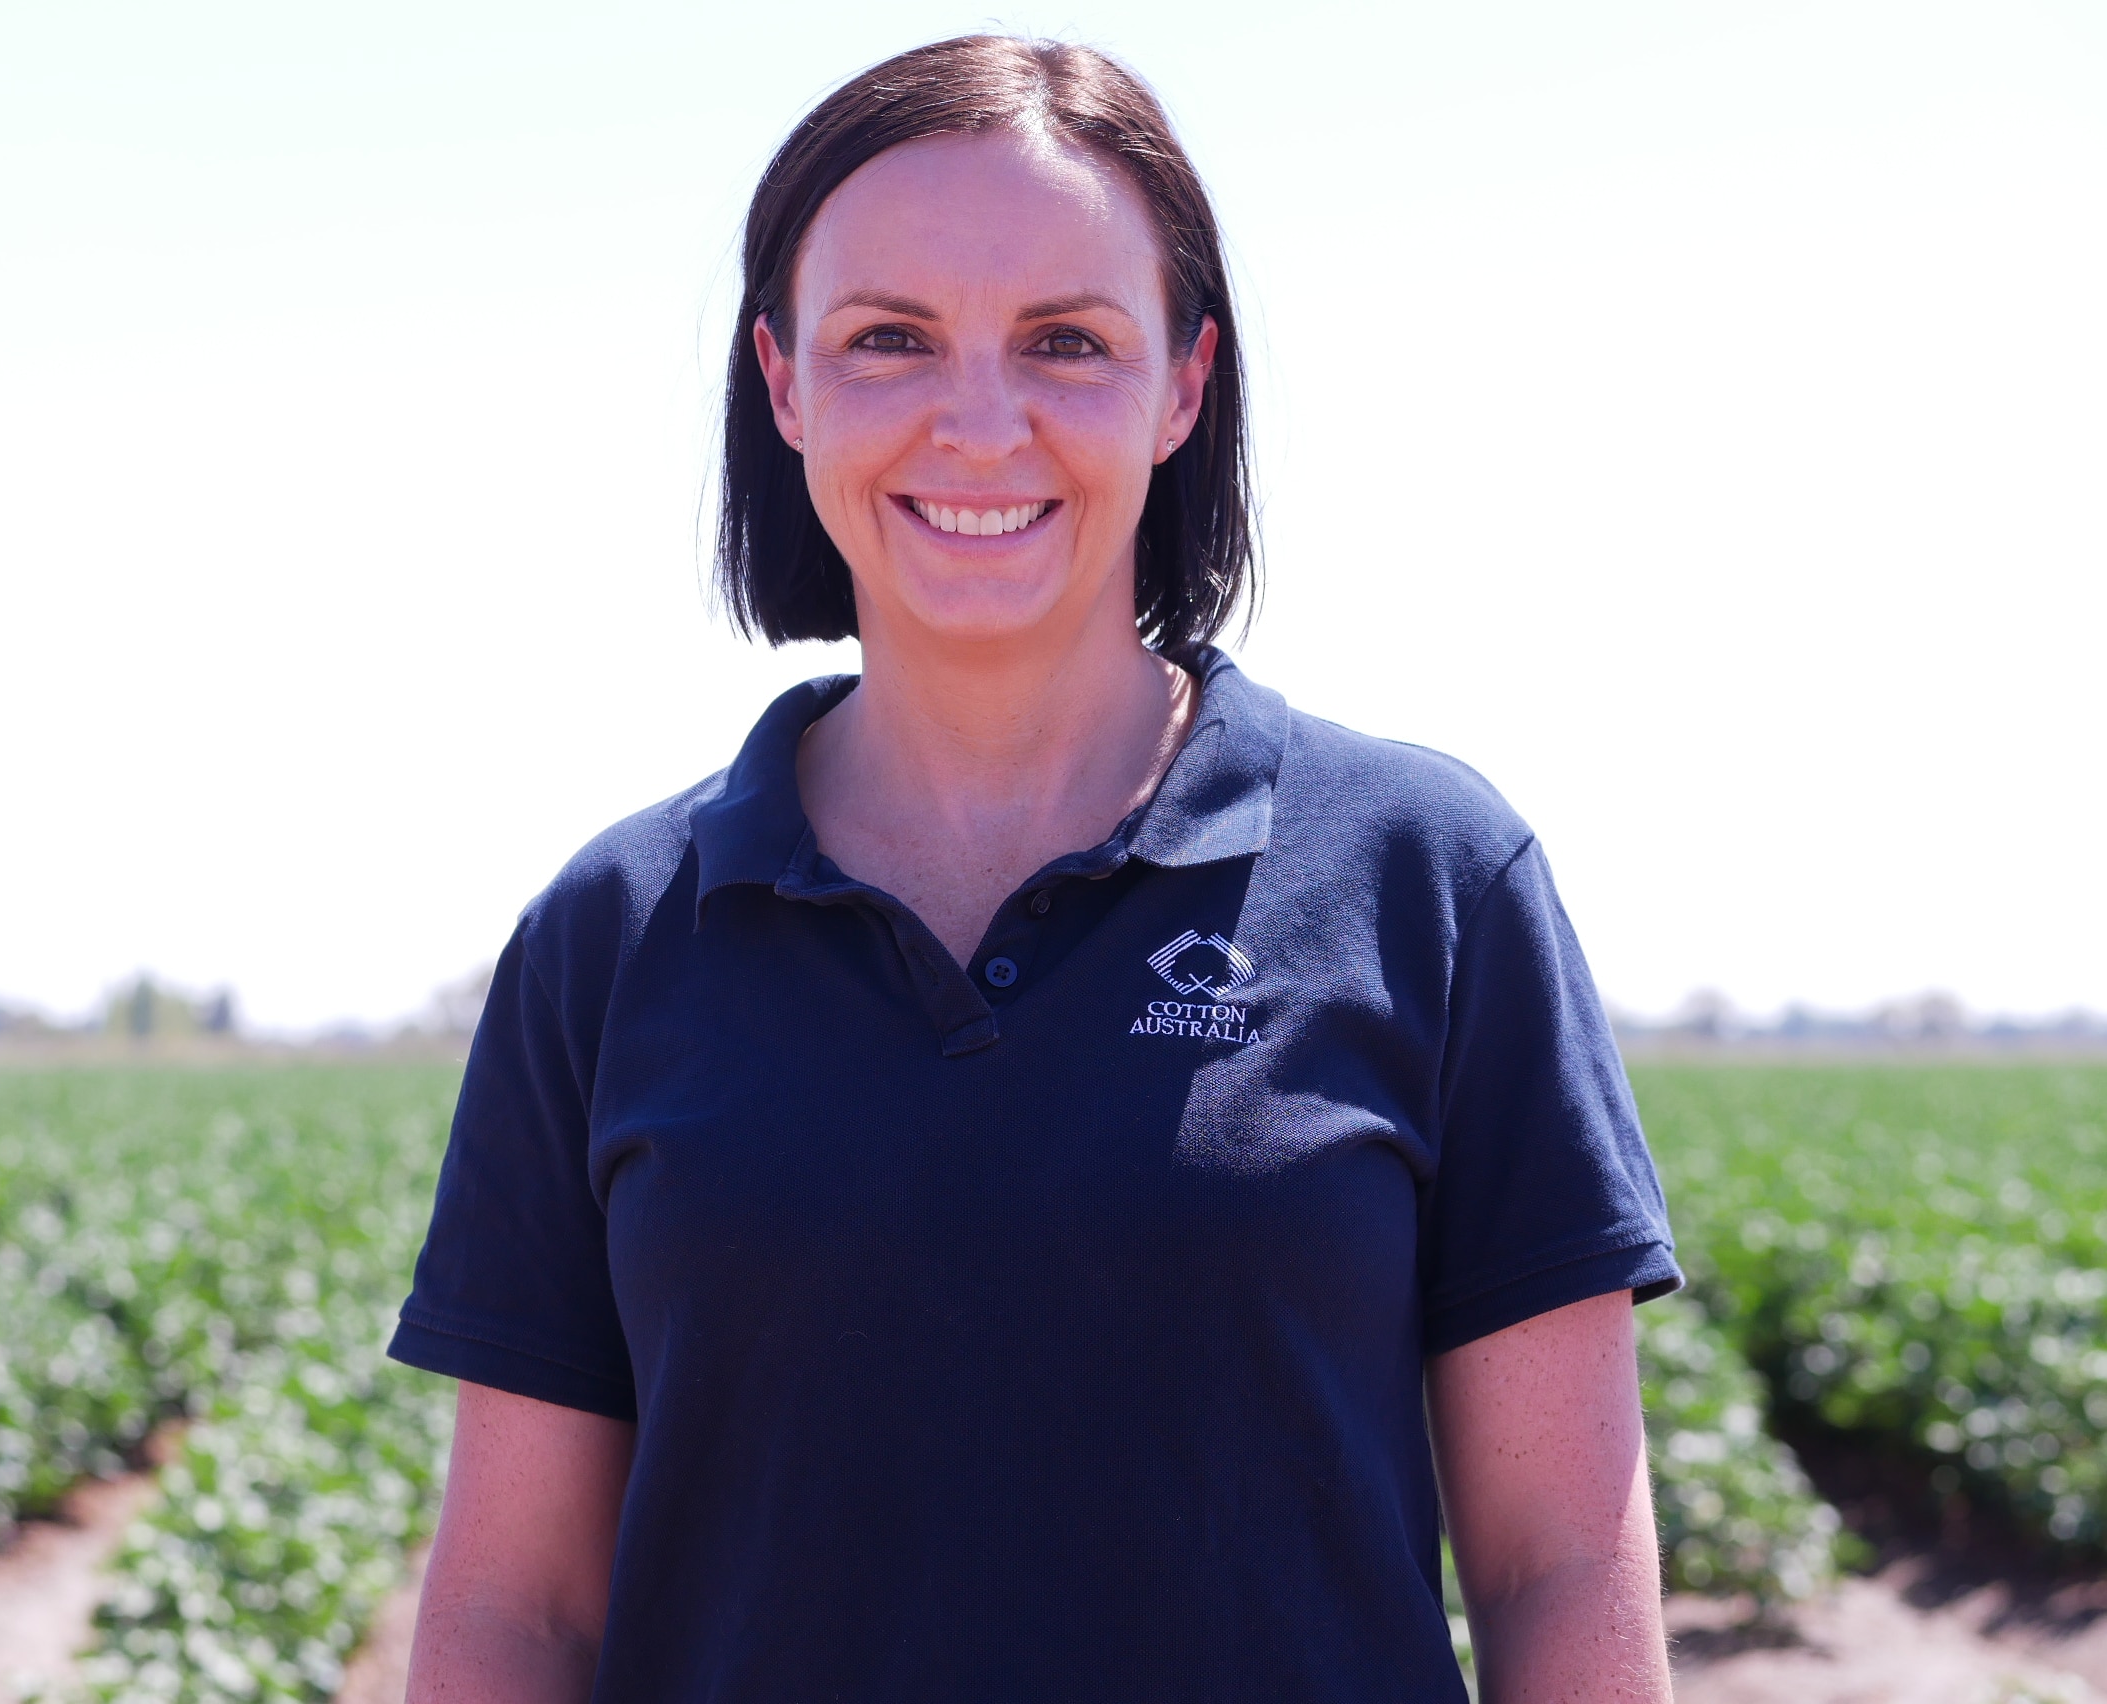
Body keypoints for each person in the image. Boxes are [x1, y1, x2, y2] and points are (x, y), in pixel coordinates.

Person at [390, 34, 1680, 1704]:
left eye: (1067, 341)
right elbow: (519, 1612)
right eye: (889, 340)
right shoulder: (610, 936)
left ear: (1184, 384)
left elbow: (1560, 1565)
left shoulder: (1430, 879)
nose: (978, 421)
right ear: (783, 385)